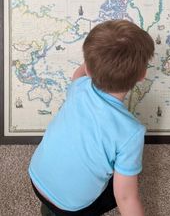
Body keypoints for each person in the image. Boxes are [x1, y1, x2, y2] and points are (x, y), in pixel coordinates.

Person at [28, 19, 155, 216]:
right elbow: (125, 197)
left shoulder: (79, 86)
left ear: (88, 68)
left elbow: (80, 72)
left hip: (36, 179)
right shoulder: (132, 132)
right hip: (72, 207)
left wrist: (96, 58)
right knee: (122, 185)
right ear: (142, 75)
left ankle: (50, 210)